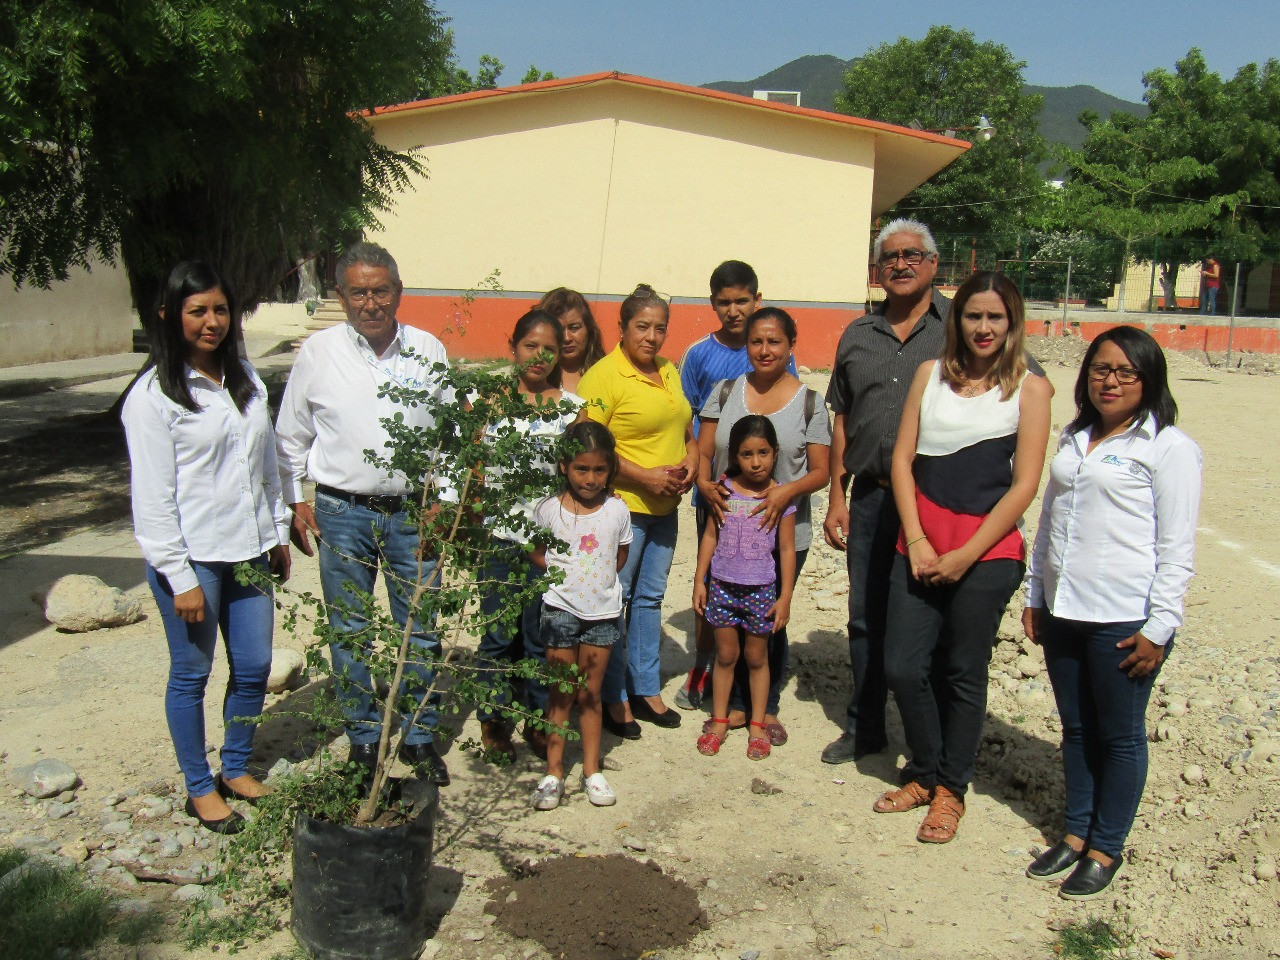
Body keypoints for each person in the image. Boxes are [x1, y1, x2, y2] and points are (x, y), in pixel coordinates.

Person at [822, 218, 1049, 765]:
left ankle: (944, 750)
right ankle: (866, 726)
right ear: (876, 270)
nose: (900, 264)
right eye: (889, 257)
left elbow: (1020, 383)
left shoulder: (963, 321)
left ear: (932, 266)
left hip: (938, 505)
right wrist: (836, 494)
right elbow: (842, 417)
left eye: (912, 255)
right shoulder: (857, 334)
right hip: (875, 499)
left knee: (941, 636)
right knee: (865, 615)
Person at [1024, 326, 1201, 898]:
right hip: (1064, 610)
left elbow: (1177, 548)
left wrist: (1159, 626)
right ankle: (1076, 834)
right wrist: (1035, 596)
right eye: (1101, 368)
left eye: (1126, 371)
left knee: (1119, 736)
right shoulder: (1076, 439)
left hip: (1125, 620)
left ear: (1149, 379)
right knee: (1076, 730)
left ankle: (1106, 846)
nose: (1111, 380)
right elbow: (1049, 522)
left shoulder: (1168, 447)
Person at [873, 272, 1050, 844]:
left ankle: (950, 788)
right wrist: (920, 541)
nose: (983, 327)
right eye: (973, 315)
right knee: (902, 664)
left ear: (1012, 322)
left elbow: (1024, 485)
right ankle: (925, 768)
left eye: (995, 317)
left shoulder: (1030, 388)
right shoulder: (930, 376)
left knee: (962, 671)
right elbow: (902, 461)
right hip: (921, 543)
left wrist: (966, 555)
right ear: (957, 320)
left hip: (987, 554)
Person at [122, 261, 291, 834]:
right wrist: (179, 575)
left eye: (220, 309)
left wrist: (276, 532)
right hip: (193, 558)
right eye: (198, 311)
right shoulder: (153, 397)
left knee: (254, 666)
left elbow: (263, 465)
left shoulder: (243, 376)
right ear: (170, 316)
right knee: (191, 675)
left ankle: (235, 767)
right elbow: (151, 497)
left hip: (247, 552)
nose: (211, 322)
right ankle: (199, 788)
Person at [276, 241, 452, 787]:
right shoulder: (317, 353)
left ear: (398, 293)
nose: (370, 303)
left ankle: (419, 736)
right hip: (341, 513)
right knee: (349, 629)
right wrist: (295, 500)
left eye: (380, 291)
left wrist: (443, 501)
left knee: (418, 628)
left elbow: (448, 437)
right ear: (341, 296)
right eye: (358, 292)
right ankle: (363, 737)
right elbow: (289, 438)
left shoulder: (429, 350)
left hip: (413, 515)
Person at [695, 308, 831, 745]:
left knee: (770, 619)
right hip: (726, 519)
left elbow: (821, 471)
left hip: (784, 528)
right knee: (728, 619)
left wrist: (784, 493)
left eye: (774, 342)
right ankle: (730, 705)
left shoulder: (809, 402)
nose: (765, 350)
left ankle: (764, 708)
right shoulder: (725, 390)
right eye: (757, 342)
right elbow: (702, 452)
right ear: (746, 344)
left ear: (791, 344)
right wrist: (703, 483)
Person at [674, 262, 797, 711]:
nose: (733, 310)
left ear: (757, 300)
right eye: (724, 302)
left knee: (761, 588)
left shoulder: (774, 348)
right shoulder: (699, 355)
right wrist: (702, 482)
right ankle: (703, 667)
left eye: (742, 300)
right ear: (712, 304)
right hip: (719, 498)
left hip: (765, 502)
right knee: (715, 581)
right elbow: (687, 422)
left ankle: (757, 698)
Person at [578, 283, 697, 737]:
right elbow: (592, 444)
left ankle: (646, 687)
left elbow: (685, 427)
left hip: (666, 508)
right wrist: (646, 477)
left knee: (649, 600)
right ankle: (614, 696)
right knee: (616, 601)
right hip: (625, 508)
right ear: (623, 328)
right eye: (642, 327)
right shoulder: (604, 376)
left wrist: (691, 460)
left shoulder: (668, 370)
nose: (651, 337)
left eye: (659, 328)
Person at [476, 309, 584, 762]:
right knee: (499, 634)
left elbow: (581, 477)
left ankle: (540, 722)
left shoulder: (571, 410)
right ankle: (493, 719)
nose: (539, 357)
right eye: (530, 347)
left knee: (543, 635)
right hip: (500, 540)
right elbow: (469, 471)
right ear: (513, 347)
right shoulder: (490, 404)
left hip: (549, 545)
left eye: (549, 349)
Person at [529, 422, 632, 809]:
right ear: (564, 467)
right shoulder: (548, 510)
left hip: (603, 615)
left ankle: (592, 771)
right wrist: (565, 581)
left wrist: (596, 584)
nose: (590, 479)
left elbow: (617, 558)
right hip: (559, 612)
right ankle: (554, 772)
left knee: (591, 694)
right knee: (561, 694)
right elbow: (538, 553)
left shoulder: (617, 509)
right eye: (581, 469)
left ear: (611, 469)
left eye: (599, 470)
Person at [693, 416, 796, 761]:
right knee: (725, 656)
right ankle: (720, 720)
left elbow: (785, 549)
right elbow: (710, 535)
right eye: (747, 454)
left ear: (775, 452)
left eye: (763, 452)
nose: (756, 462)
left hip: (761, 592)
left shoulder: (780, 497)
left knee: (756, 657)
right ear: (735, 456)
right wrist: (699, 580)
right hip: (722, 586)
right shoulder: (724, 490)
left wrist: (785, 597)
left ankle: (756, 725)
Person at [538, 287, 605, 394]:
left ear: (589, 328)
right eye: (559, 330)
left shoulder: (607, 372)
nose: (567, 338)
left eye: (574, 328)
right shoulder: (535, 376)